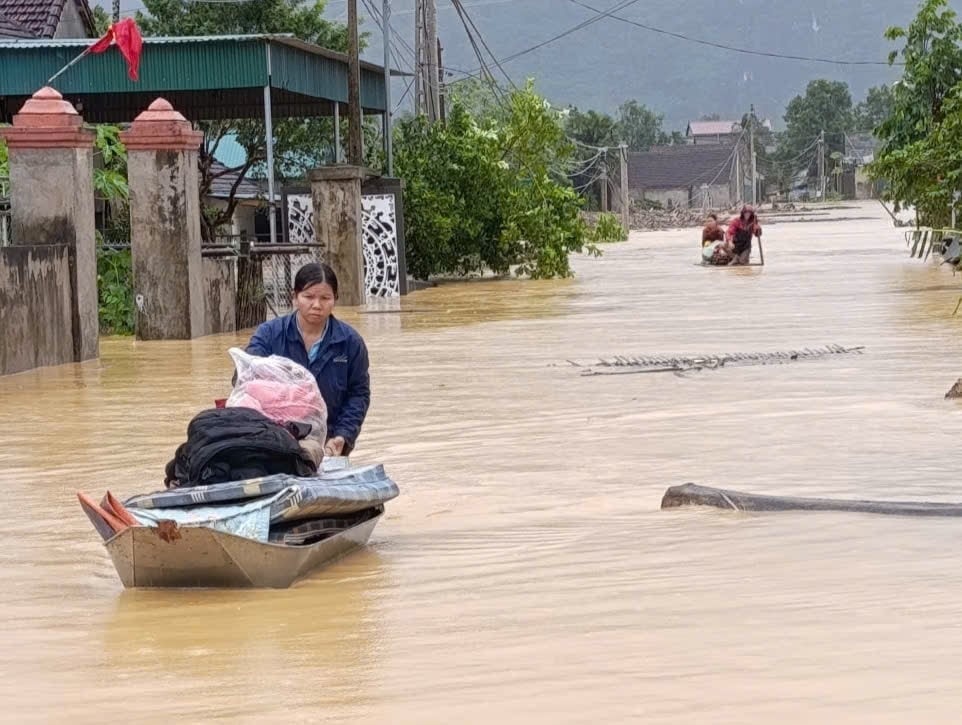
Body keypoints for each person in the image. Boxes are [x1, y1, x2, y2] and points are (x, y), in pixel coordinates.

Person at [245, 262, 370, 457]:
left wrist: (343, 436)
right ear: (294, 297)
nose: (317, 305)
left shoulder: (351, 342)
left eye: (325, 298)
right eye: (308, 297)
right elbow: (245, 379)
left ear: (335, 299)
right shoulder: (269, 335)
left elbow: (358, 394)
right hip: (274, 442)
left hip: (329, 446)